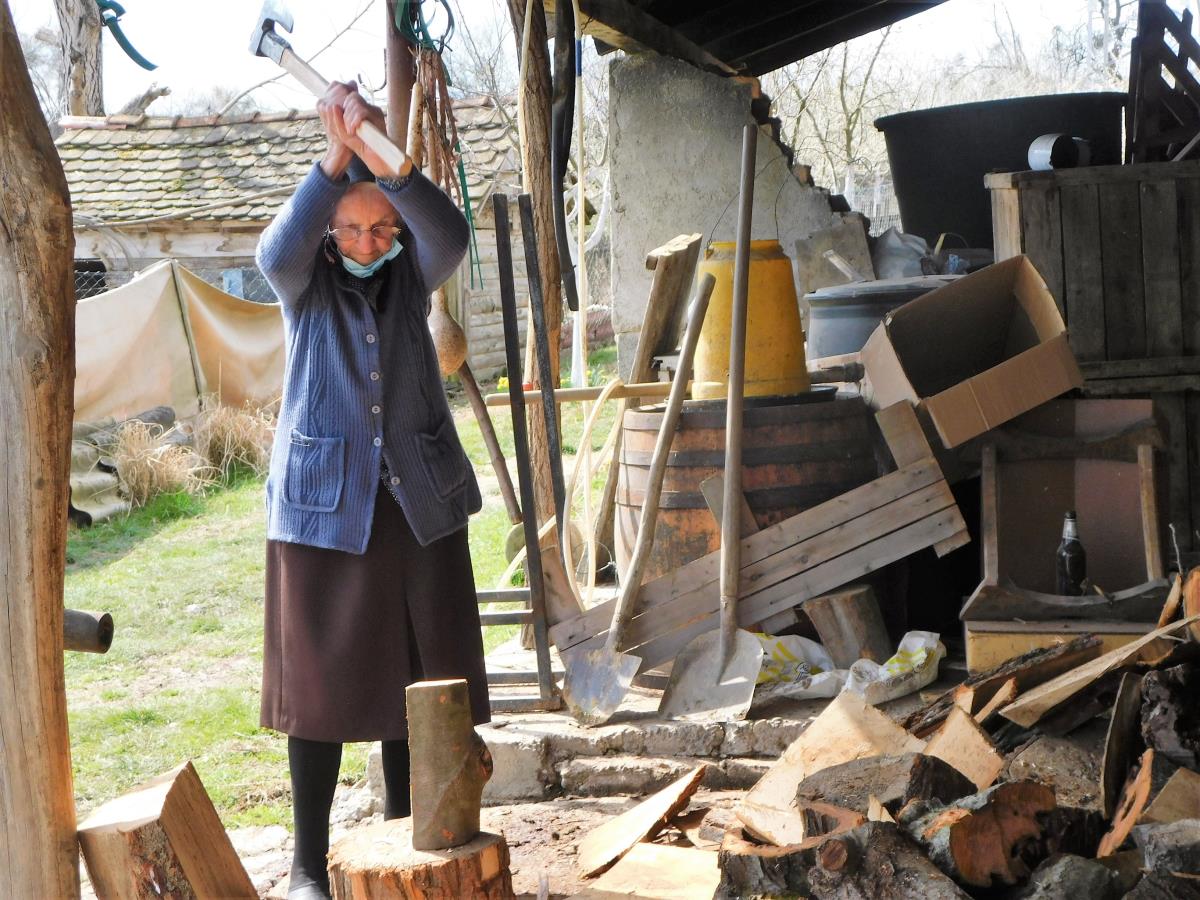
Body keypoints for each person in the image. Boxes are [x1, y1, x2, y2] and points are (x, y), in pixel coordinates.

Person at [255, 82, 489, 900]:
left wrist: (385, 157)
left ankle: (407, 839)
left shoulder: (415, 271)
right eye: (349, 228)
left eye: (378, 227)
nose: (365, 242)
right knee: (316, 697)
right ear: (330, 230)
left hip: (415, 504)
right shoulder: (302, 282)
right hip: (324, 510)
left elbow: (450, 230)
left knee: (414, 685)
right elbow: (271, 252)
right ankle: (307, 868)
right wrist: (335, 156)